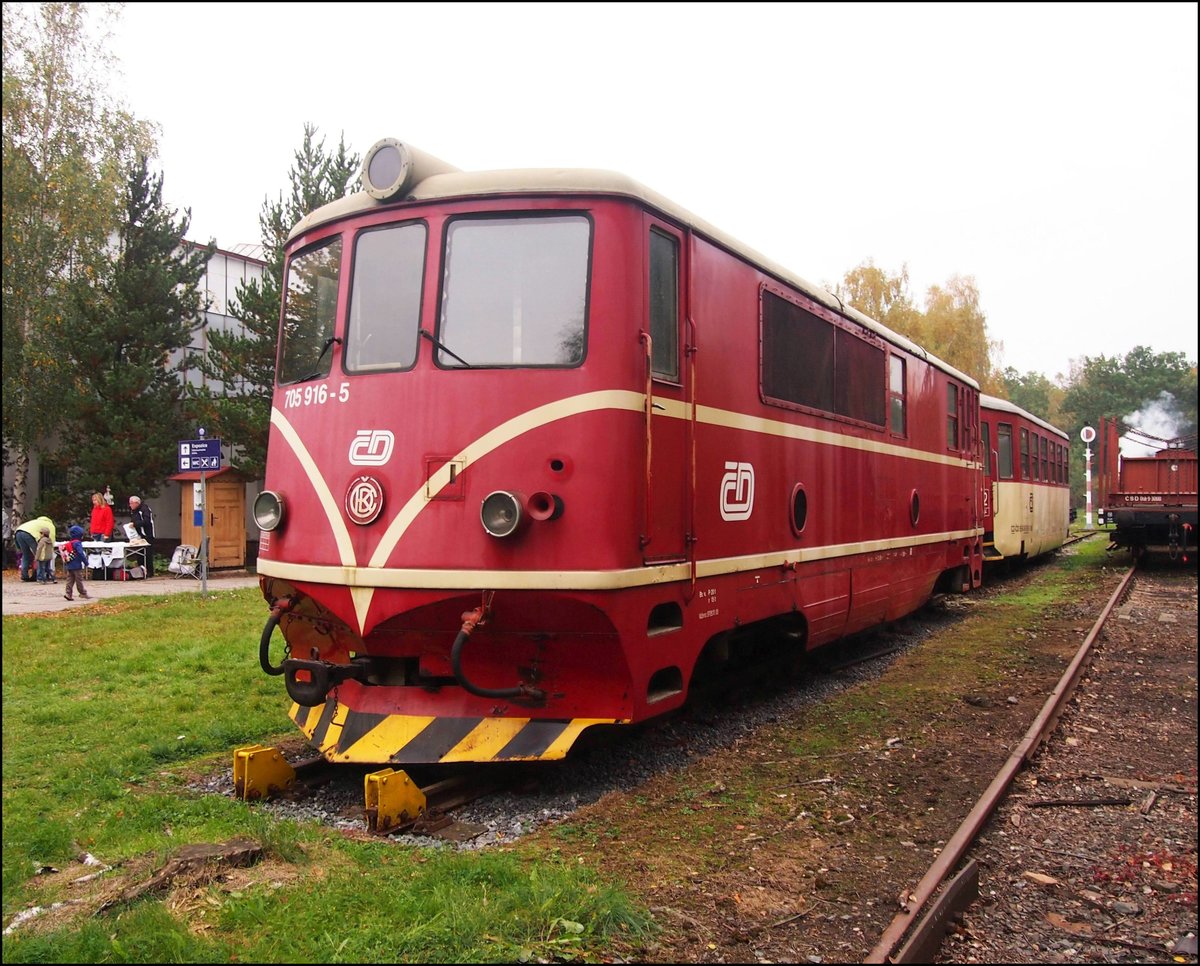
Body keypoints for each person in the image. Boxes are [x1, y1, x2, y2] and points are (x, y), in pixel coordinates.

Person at [15, 516, 55, 582]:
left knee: (26, 555)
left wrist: (18, 546)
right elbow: (51, 538)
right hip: (29, 535)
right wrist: (51, 547)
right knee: (39, 555)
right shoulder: (50, 525)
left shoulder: (35, 522)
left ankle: (24, 576)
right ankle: (38, 576)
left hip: (18, 532)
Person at [128, 495, 155, 577]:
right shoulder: (133, 511)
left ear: (136, 503)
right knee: (139, 554)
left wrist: (135, 524)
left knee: (148, 554)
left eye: (131, 503)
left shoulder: (144, 509)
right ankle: (141, 571)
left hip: (147, 535)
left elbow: (147, 521)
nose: (130, 505)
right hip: (138, 536)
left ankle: (150, 572)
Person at [62, 524, 90, 601]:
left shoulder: (70, 543)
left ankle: (68, 593)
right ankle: (82, 593)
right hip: (77, 565)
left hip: (69, 564)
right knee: (79, 579)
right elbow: (80, 553)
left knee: (70, 580)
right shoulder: (77, 543)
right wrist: (85, 562)